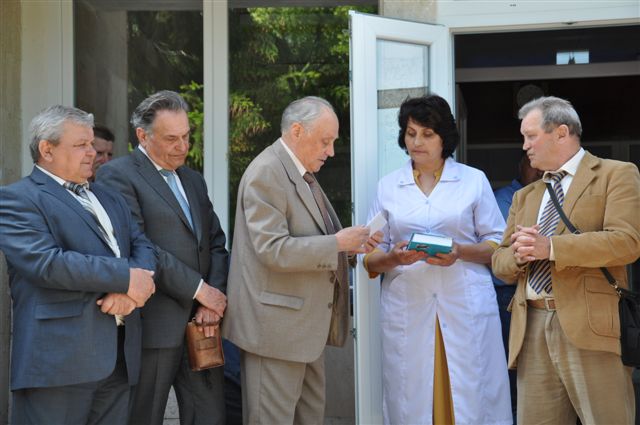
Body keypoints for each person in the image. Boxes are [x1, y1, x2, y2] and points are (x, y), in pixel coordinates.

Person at [222, 96, 380, 424]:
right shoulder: (267, 172)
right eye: (325, 141)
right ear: (297, 131)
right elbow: (272, 249)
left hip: (304, 333)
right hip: (275, 335)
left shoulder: (299, 172)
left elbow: (311, 240)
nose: (331, 151)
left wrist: (351, 247)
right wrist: (337, 243)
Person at [0, 105, 156, 424]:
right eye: (81, 145)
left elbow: (142, 245)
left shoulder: (109, 197)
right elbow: (47, 263)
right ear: (47, 149)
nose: (92, 153)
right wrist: (126, 278)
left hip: (118, 359)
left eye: (91, 144)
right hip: (58, 364)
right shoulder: (17, 199)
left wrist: (130, 295)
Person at [363, 95, 512, 425]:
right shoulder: (388, 187)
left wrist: (459, 252)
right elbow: (370, 257)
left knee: (472, 396)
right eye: (411, 133)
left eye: (427, 134)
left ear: (444, 137)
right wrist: (394, 258)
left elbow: (497, 244)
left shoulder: (473, 180)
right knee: (412, 398)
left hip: (464, 304)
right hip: (409, 307)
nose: (417, 142)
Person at [492, 96, 640, 424]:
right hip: (531, 327)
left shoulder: (616, 174)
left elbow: (627, 242)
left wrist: (551, 248)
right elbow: (499, 263)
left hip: (591, 325)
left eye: (531, 136)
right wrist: (518, 254)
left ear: (561, 132)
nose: (524, 146)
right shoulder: (524, 196)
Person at [96, 90, 229, 425]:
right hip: (153, 326)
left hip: (203, 325)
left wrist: (212, 300)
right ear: (143, 136)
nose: (182, 146)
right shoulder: (117, 175)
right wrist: (200, 290)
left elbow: (215, 242)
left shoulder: (193, 180)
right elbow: (141, 247)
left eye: (186, 136)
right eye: (171, 138)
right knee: (144, 416)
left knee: (210, 416)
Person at [491, 153, 542, 418]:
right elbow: (509, 249)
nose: (538, 170)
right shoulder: (505, 198)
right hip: (508, 295)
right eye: (531, 165)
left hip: (542, 293)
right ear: (520, 167)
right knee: (515, 366)